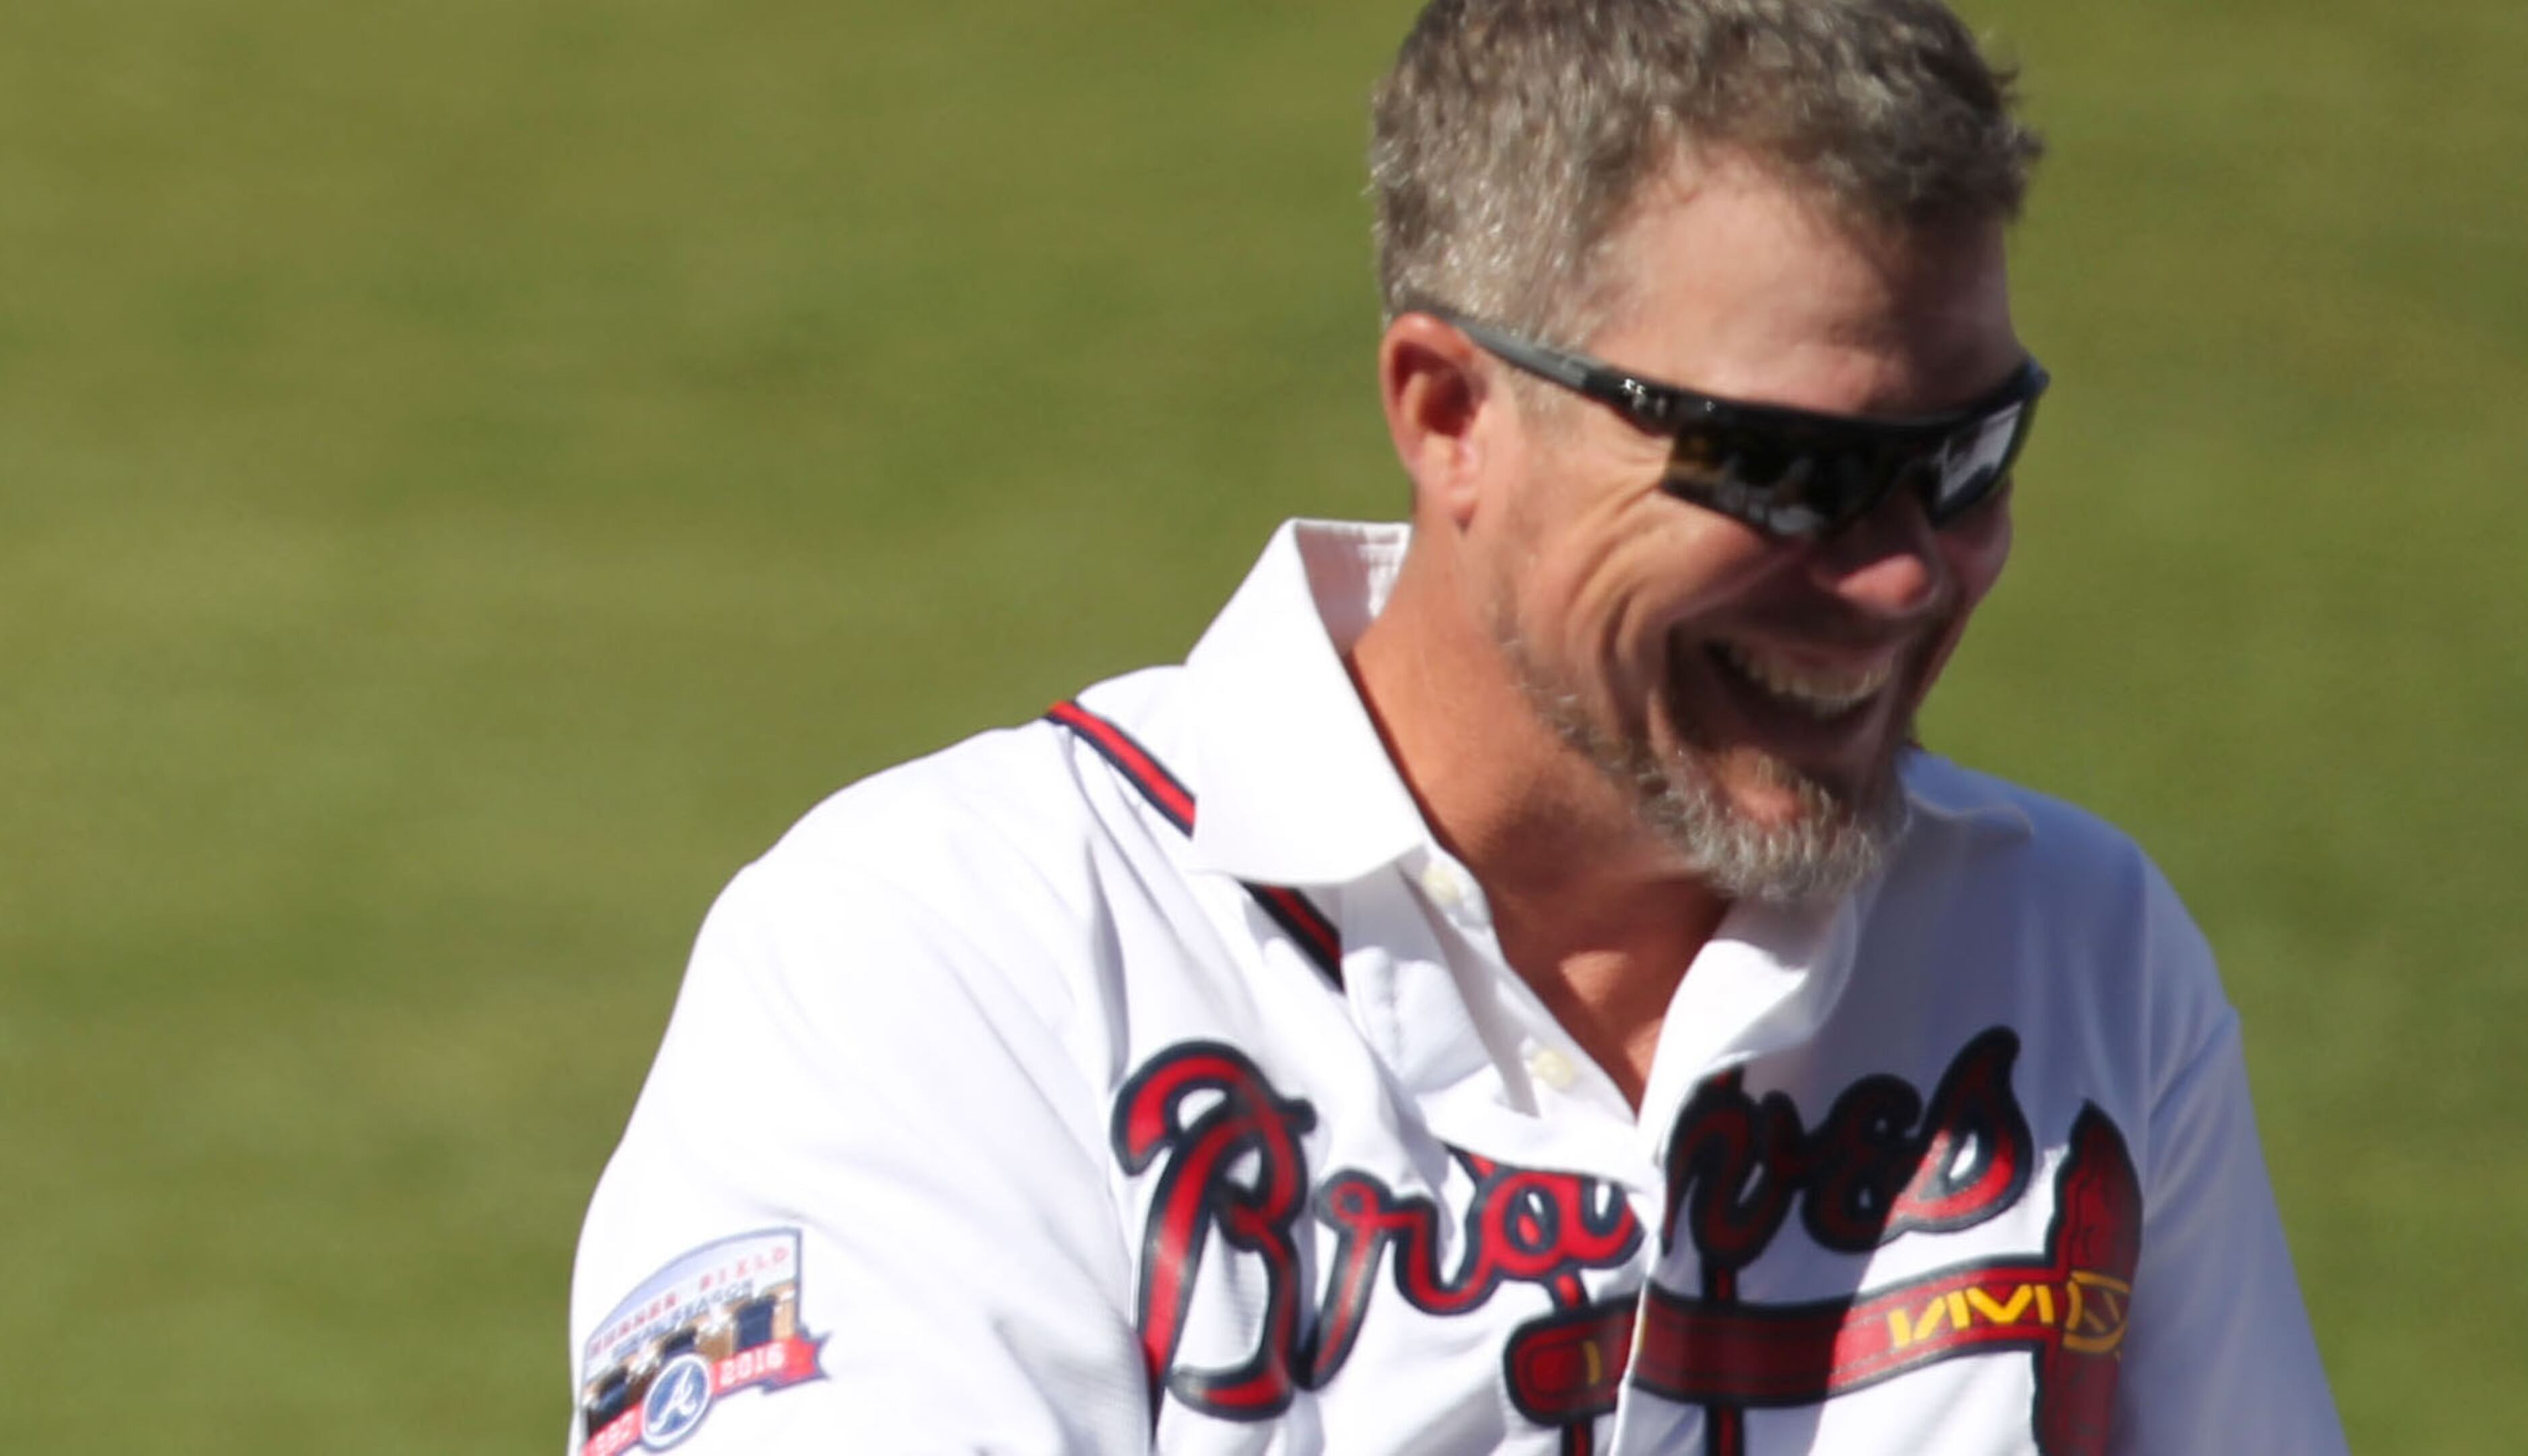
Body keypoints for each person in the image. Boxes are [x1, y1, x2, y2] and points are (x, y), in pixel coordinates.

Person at [566, 0, 2347, 1451]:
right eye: (1795, 471)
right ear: (1450, 412)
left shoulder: (2074, 957)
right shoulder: (957, 956)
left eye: (1967, 459)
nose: (1900, 580)